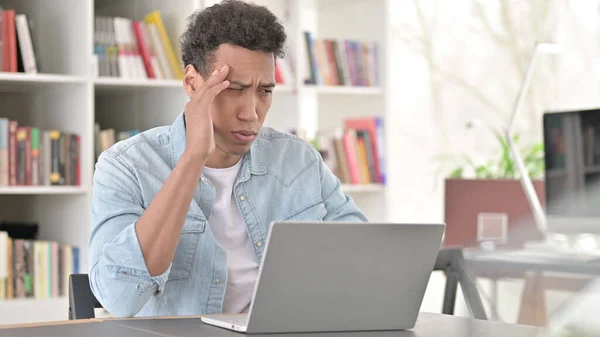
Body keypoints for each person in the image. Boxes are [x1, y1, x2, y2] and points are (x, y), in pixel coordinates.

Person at [88, 0, 367, 318]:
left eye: (264, 91)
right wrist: (193, 158)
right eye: (234, 88)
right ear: (193, 83)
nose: (251, 113)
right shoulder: (127, 166)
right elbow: (119, 298)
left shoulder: (299, 161)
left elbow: (360, 261)